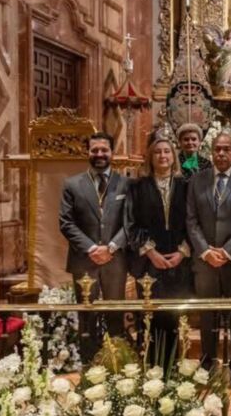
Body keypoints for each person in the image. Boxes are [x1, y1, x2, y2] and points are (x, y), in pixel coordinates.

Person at [186, 132, 231, 384]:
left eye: (227, 149)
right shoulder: (197, 180)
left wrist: (227, 251)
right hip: (205, 261)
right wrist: (205, 251)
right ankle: (207, 363)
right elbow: (191, 220)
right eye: (217, 149)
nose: (221, 153)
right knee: (207, 314)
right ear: (211, 151)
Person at [58, 131, 129, 360]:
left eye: (104, 150)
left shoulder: (126, 183)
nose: (99, 154)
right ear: (87, 152)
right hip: (84, 260)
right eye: (94, 150)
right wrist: (91, 248)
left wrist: (111, 247)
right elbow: (66, 223)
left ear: (112, 153)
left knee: (115, 315)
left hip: (115, 260)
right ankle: (89, 364)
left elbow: (131, 222)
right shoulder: (72, 184)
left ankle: (116, 363)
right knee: (87, 316)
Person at [125, 133, 191, 359]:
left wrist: (182, 252)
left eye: (166, 151)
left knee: (174, 316)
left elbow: (193, 221)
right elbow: (130, 222)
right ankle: (151, 366)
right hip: (148, 262)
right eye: (157, 152)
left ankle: (174, 365)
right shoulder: (137, 186)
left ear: (173, 156)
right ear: (150, 157)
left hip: (178, 260)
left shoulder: (185, 185)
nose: (162, 155)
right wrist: (151, 253)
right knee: (149, 316)